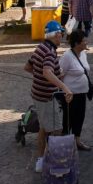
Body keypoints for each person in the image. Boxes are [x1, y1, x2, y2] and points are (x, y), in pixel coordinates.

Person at [24, 21, 73, 173]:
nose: (62, 38)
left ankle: (41, 159)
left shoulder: (40, 47)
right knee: (57, 129)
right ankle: (55, 162)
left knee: (44, 127)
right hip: (47, 98)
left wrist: (42, 76)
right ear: (56, 34)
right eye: (61, 34)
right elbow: (47, 72)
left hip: (37, 94)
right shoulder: (50, 52)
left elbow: (28, 67)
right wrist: (64, 87)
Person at [59, 29, 93, 151]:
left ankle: (77, 141)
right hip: (70, 95)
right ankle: (66, 143)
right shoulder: (67, 56)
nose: (86, 42)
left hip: (82, 93)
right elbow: (60, 75)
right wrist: (64, 91)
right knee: (69, 119)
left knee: (80, 117)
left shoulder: (83, 54)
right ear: (77, 43)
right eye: (84, 41)